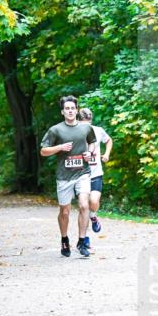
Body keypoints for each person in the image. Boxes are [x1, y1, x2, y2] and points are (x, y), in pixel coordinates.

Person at [39, 96, 97, 258]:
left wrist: (90, 152)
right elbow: (43, 151)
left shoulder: (86, 128)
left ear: (76, 110)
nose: (70, 111)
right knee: (65, 211)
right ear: (62, 112)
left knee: (84, 205)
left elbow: (92, 142)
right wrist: (60, 147)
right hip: (64, 176)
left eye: (72, 108)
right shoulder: (55, 130)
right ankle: (64, 239)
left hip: (83, 173)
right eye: (67, 109)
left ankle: (82, 241)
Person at [77, 108, 112, 233]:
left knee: (94, 201)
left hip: (96, 173)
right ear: (78, 121)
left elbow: (108, 140)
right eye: (83, 124)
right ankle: (84, 237)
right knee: (83, 206)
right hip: (80, 175)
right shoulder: (74, 133)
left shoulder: (98, 130)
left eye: (88, 123)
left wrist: (106, 154)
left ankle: (93, 216)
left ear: (91, 121)